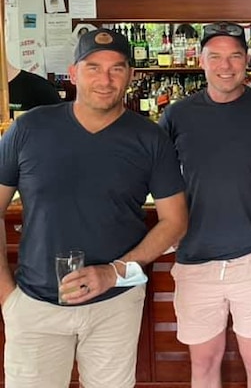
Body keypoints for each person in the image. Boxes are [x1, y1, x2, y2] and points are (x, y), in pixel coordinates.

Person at [0, 28, 188, 388]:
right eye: (93, 67)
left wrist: (113, 272)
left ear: (131, 76)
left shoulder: (150, 138)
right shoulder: (29, 128)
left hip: (115, 304)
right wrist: (8, 296)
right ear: (73, 73)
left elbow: (175, 221)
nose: (105, 79)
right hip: (35, 304)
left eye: (117, 68)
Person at [160, 22, 251, 388]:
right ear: (200, 61)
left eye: (234, 56)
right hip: (195, 256)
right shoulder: (177, 114)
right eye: (215, 56)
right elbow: (158, 177)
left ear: (246, 61)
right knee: (203, 361)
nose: (225, 65)